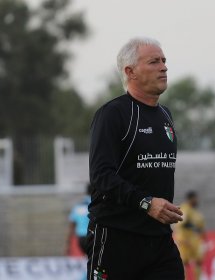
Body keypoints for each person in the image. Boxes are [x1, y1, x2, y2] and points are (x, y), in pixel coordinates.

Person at [87, 37, 184, 280]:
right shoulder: (113, 114)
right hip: (117, 237)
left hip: (159, 241)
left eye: (164, 61)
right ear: (130, 71)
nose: (163, 67)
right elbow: (101, 176)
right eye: (154, 62)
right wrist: (146, 203)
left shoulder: (165, 115)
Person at [174, 191, 206, 280]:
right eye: (196, 199)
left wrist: (203, 238)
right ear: (191, 199)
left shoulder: (196, 213)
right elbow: (181, 223)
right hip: (185, 240)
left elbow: (201, 229)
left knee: (199, 261)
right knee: (184, 262)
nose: (197, 201)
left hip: (195, 241)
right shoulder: (185, 209)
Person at [68, 183, 92, 255]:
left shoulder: (78, 206)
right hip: (92, 236)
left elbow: (72, 224)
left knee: (87, 258)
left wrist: (69, 241)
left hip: (81, 238)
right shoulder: (95, 205)